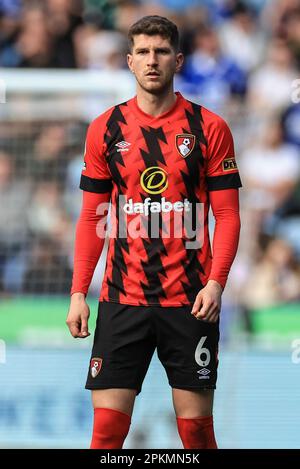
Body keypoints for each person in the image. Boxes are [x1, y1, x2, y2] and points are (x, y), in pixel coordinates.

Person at [66, 15, 242, 450]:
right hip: (121, 297)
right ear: (129, 61)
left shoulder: (210, 128)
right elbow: (92, 217)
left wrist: (217, 282)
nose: (152, 61)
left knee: (196, 434)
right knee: (106, 433)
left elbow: (229, 215)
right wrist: (76, 293)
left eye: (161, 51)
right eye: (143, 52)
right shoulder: (105, 128)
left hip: (190, 301)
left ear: (178, 60)